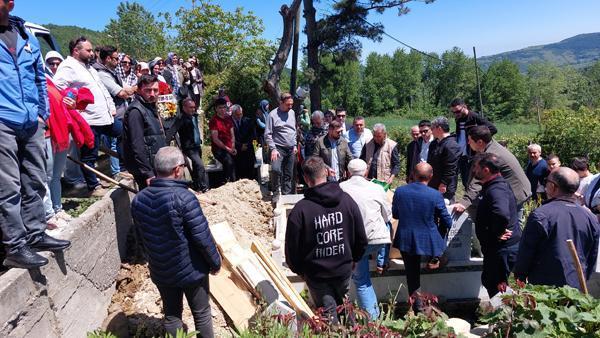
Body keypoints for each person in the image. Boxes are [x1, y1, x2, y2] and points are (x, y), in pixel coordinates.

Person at [0, 5, 71, 269]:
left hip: (31, 120)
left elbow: (39, 76)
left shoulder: (25, 34)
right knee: (8, 187)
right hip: (3, 120)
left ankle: (35, 232)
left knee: (36, 178)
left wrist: (42, 112)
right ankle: (15, 246)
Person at [131, 146, 221, 337]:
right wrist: (215, 262)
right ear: (177, 170)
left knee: (171, 316)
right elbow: (202, 237)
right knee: (202, 314)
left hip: (162, 270)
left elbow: (142, 238)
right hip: (192, 270)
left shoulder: (139, 200)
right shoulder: (184, 197)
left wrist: (154, 260)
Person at [285, 156, 367, 324]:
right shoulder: (347, 201)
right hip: (343, 269)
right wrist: (354, 259)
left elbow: (292, 249)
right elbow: (361, 237)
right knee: (346, 308)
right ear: (327, 172)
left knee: (329, 316)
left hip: (317, 274)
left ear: (306, 179)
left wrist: (300, 270)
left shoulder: (300, 210)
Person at [54, 36, 121, 196]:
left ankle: (122, 168)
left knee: (124, 132)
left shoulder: (89, 68)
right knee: (89, 155)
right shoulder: (68, 66)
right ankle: (93, 187)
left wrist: (111, 107)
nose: (92, 53)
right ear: (76, 51)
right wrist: (72, 102)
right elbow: (57, 89)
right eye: (88, 50)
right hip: (88, 119)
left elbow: (102, 90)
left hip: (105, 117)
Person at [514, 167, 600, 291]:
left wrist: (520, 275)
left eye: (546, 182)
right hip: (576, 287)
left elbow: (526, 251)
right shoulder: (590, 218)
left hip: (544, 289)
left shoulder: (541, 215)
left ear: (553, 187)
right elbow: (592, 254)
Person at [391, 163, 452, 310]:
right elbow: (447, 221)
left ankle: (417, 308)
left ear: (413, 175)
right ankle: (436, 257)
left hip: (406, 240)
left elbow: (395, 214)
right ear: (431, 176)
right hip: (429, 241)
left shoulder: (400, 191)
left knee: (412, 276)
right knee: (441, 249)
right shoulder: (435, 194)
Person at [340, 159, 392, 320]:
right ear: (366, 171)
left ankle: (372, 320)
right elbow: (387, 216)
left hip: (355, 242)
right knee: (385, 226)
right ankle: (382, 262)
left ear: (348, 172)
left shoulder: (341, 188)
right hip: (378, 239)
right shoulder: (377, 188)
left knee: (361, 281)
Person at [472, 153, 521, 297]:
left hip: (502, 250)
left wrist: (497, 232)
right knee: (491, 282)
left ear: (486, 170)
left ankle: (505, 317)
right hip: (499, 248)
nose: (474, 170)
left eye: (476, 167)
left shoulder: (496, 189)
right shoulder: (494, 185)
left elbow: (501, 213)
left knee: (499, 288)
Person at [453, 126, 531, 216]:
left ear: (480, 142)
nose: (468, 142)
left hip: (516, 192)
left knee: (508, 225)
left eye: (470, 140)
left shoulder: (491, 156)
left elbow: (478, 182)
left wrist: (464, 202)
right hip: (517, 189)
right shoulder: (491, 146)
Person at [93, 45, 136, 178]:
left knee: (121, 137)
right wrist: (138, 87)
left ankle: (123, 168)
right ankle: (118, 171)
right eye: (116, 59)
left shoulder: (111, 73)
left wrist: (131, 89)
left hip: (118, 111)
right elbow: (122, 92)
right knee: (112, 142)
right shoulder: (102, 74)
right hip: (112, 113)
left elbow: (125, 88)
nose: (118, 62)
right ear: (107, 58)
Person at [122, 74, 166, 190]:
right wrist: (148, 173)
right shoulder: (136, 111)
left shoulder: (150, 107)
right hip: (146, 169)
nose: (152, 94)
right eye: (148, 90)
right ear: (140, 90)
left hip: (155, 164)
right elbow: (137, 145)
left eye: (155, 90)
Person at [450, 98, 497, 188]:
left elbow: (493, 129)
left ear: (465, 107)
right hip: (461, 154)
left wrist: (479, 140)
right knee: (465, 182)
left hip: (473, 154)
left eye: (458, 111)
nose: (456, 114)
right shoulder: (458, 119)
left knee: (473, 182)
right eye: (454, 112)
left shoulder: (475, 117)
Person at [265, 93, 297, 202]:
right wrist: (273, 149)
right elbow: (268, 134)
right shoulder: (272, 115)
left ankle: (286, 195)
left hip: (291, 148)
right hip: (278, 147)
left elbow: (293, 130)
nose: (290, 107)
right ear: (281, 103)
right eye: (288, 104)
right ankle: (275, 192)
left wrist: (295, 144)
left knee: (289, 173)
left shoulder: (292, 113)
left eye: (291, 104)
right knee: (275, 169)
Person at [177, 98, 208, 192]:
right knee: (200, 165)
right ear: (184, 108)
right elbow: (172, 131)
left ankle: (197, 186)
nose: (193, 109)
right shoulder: (181, 119)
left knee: (196, 167)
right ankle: (204, 187)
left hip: (197, 146)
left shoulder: (194, 116)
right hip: (189, 147)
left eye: (194, 107)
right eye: (190, 107)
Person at [427, 117, 460, 202]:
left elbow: (451, 168)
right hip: (432, 183)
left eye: (432, 128)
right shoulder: (434, 144)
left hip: (444, 187)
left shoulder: (451, 145)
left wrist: (443, 184)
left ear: (439, 128)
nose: (431, 131)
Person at [209, 98, 236, 183]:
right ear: (216, 109)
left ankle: (234, 182)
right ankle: (227, 182)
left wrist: (233, 147)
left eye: (224, 107)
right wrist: (228, 149)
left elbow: (232, 135)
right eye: (220, 108)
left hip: (230, 147)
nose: (223, 109)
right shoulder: (214, 121)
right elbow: (215, 139)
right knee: (228, 161)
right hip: (219, 149)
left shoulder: (229, 118)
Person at [231, 104, 256, 180]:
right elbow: (229, 137)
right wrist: (239, 146)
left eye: (241, 114)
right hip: (236, 149)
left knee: (250, 165)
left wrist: (246, 145)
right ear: (232, 114)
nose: (239, 116)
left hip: (248, 148)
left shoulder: (248, 121)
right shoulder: (228, 122)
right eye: (237, 114)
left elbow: (253, 135)